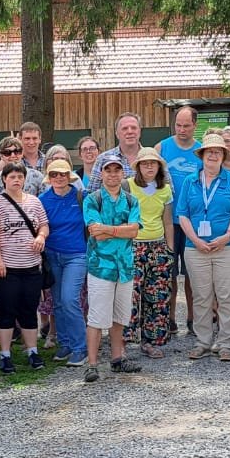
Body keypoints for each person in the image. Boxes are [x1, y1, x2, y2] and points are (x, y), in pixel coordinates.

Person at [178, 132, 230, 362]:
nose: (213, 155)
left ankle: (226, 343)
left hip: (229, 247)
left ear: (223, 156)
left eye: (218, 152)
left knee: (227, 296)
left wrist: (228, 235)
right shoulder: (190, 181)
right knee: (201, 296)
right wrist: (195, 240)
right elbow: (182, 214)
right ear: (203, 155)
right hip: (196, 248)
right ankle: (203, 342)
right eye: (210, 152)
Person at [82, 154, 144, 381]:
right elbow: (95, 233)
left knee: (120, 316)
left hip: (125, 266)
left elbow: (135, 230)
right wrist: (121, 229)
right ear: (102, 173)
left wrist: (109, 229)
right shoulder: (93, 199)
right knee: (97, 316)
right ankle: (92, 364)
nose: (113, 174)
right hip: (101, 266)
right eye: (108, 170)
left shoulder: (131, 200)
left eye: (117, 170)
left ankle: (117, 359)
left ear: (123, 173)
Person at [0, 162, 49, 374]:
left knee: (29, 309)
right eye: (12, 176)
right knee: (7, 309)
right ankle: (5, 354)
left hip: (31, 265)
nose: (16, 180)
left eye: (20, 176)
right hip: (6, 267)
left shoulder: (34, 201)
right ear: (4, 179)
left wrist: (40, 236)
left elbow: (43, 224)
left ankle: (32, 350)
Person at [39, 157, 88, 366]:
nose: (58, 178)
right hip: (52, 255)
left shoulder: (81, 197)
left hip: (77, 254)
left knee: (70, 299)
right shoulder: (42, 199)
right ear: (48, 178)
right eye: (54, 174)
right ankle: (65, 342)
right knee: (57, 302)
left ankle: (81, 347)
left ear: (70, 177)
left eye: (63, 174)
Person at [126, 148, 175, 357]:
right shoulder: (127, 186)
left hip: (158, 246)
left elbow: (168, 221)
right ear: (137, 166)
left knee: (156, 295)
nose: (149, 167)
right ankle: (126, 340)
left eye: (153, 163)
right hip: (134, 245)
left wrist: (170, 249)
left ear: (159, 167)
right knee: (130, 294)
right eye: (144, 163)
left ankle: (152, 340)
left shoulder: (165, 189)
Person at [159, 106, 202, 329]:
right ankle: (170, 318)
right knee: (169, 272)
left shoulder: (201, 151)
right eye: (178, 125)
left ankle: (194, 319)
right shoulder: (162, 147)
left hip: (193, 223)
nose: (182, 129)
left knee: (193, 274)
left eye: (186, 125)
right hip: (167, 221)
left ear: (195, 125)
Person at [91, 112, 146, 182]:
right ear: (117, 134)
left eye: (134, 128)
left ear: (140, 131)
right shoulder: (102, 159)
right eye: (125, 128)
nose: (130, 131)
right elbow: (92, 191)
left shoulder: (151, 157)